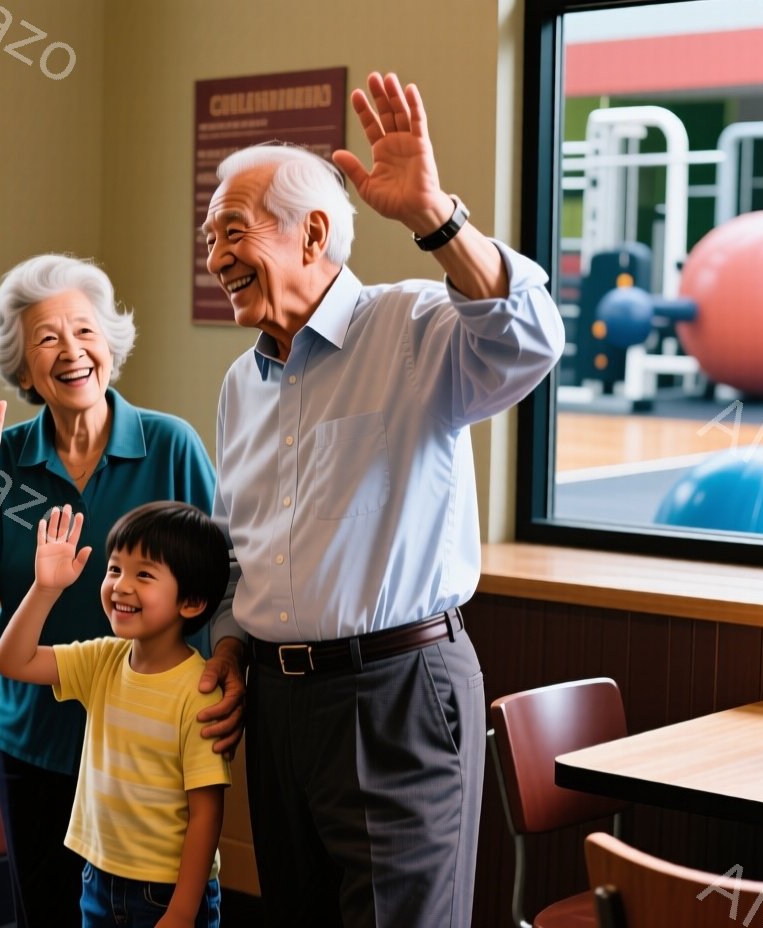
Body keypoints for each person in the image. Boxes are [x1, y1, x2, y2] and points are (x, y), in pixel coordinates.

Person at [197, 72, 566, 927]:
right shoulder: (240, 384)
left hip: (396, 691)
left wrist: (435, 218)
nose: (215, 258)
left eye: (233, 231)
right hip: (277, 705)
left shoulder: (412, 327)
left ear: (313, 233)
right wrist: (229, 642)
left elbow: (530, 337)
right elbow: (239, 544)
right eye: (209, 238)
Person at [0, 254, 224, 925]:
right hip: (36, 736)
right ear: (25, 370)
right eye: (47, 339)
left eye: (85, 331)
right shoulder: (3, 459)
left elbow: (221, 584)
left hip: (153, 744)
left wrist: (213, 688)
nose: (72, 351)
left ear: (109, 344)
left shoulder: (171, 446)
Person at [0, 502, 232, 928]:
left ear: (192, 601)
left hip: (167, 892)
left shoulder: (198, 692)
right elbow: (11, 660)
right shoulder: (103, 660)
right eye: (115, 569)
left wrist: (182, 910)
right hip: (98, 880)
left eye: (144, 575)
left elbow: (206, 814)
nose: (120, 585)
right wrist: (45, 590)